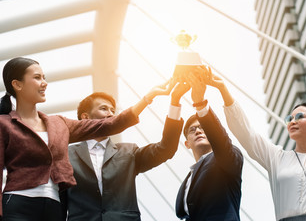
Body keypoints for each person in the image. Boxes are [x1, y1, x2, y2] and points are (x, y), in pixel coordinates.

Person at [0, 57, 177, 221]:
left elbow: (114, 124)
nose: (45, 83)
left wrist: (149, 98)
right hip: (18, 203)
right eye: (37, 77)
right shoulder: (4, 124)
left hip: (52, 207)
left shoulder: (59, 124)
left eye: (44, 77)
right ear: (17, 84)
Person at [202, 67, 306, 221]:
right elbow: (246, 133)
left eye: (299, 117)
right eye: (289, 119)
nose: (292, 122)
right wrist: (223, 89)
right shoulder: (277, 158)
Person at [62, 84, 189, 221]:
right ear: (86, 117)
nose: (111, 114)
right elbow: (58, 202)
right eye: (104, 109)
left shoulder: (129, 152)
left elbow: (166, 149)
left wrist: (175, 102)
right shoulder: (65, 155)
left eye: (112, 110)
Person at [175, 73, 243, 221]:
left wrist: (200, 103)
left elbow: (221, 142)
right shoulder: (187, 180)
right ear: (187, 143)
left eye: (202, 128)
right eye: (192, 130)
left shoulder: (227, 159)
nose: (198, 131)